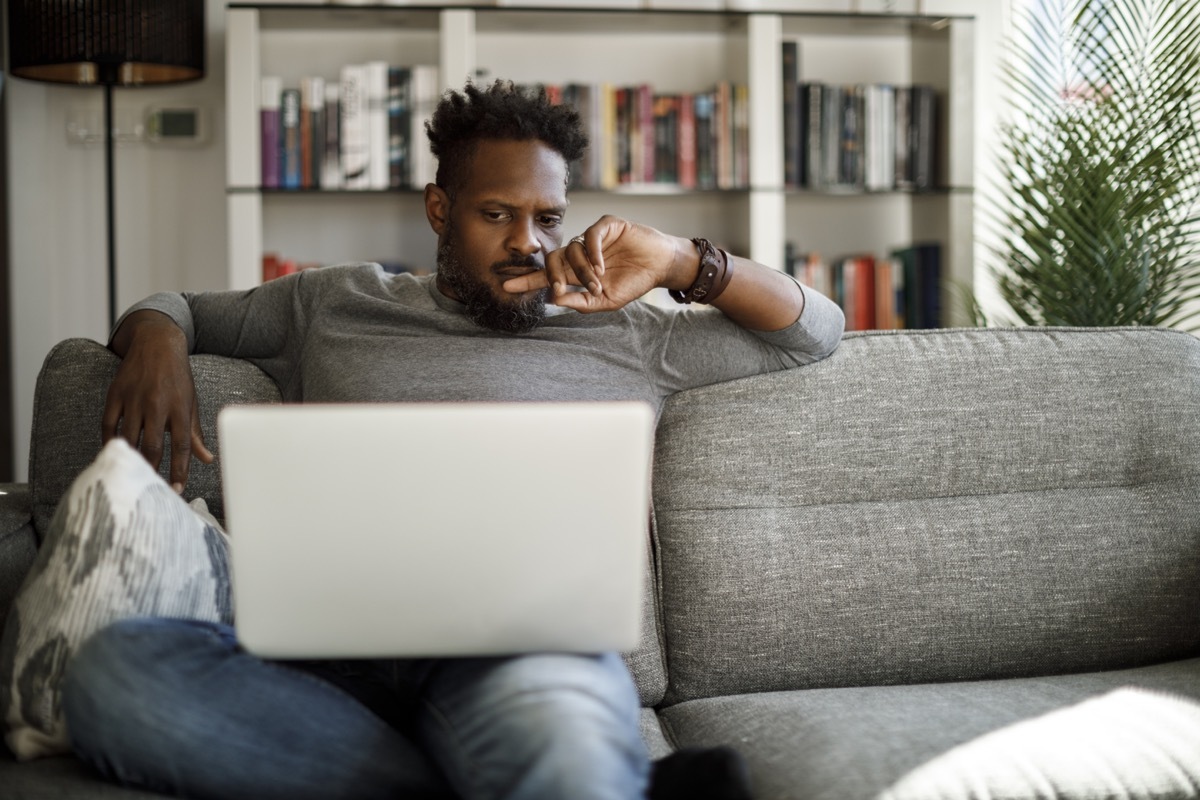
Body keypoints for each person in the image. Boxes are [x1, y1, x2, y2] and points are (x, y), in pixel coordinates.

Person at [60, 80, 844, 800]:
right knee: (112, 676)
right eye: (496, 214)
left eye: (547, 219)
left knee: (556, 737)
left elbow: (812, 333)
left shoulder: (626, 331)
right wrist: (158, 340)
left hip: (522, 651)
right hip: (322, 661)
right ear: (440, 210)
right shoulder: (333, 302)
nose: (527, 243)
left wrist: (681, 259)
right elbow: (177, 304)